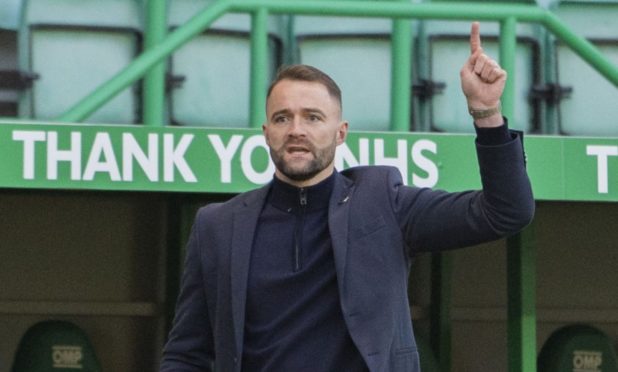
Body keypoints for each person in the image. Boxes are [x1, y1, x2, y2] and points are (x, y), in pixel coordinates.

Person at [160, 22, 534, 372]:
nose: (296, 130)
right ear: (266, 132)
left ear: (340, 133)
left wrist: (487, 113)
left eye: (312, 117)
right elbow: (186, 353)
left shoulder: (384, 202)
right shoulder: (218, 224)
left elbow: (505, 212)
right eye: (282, 118)